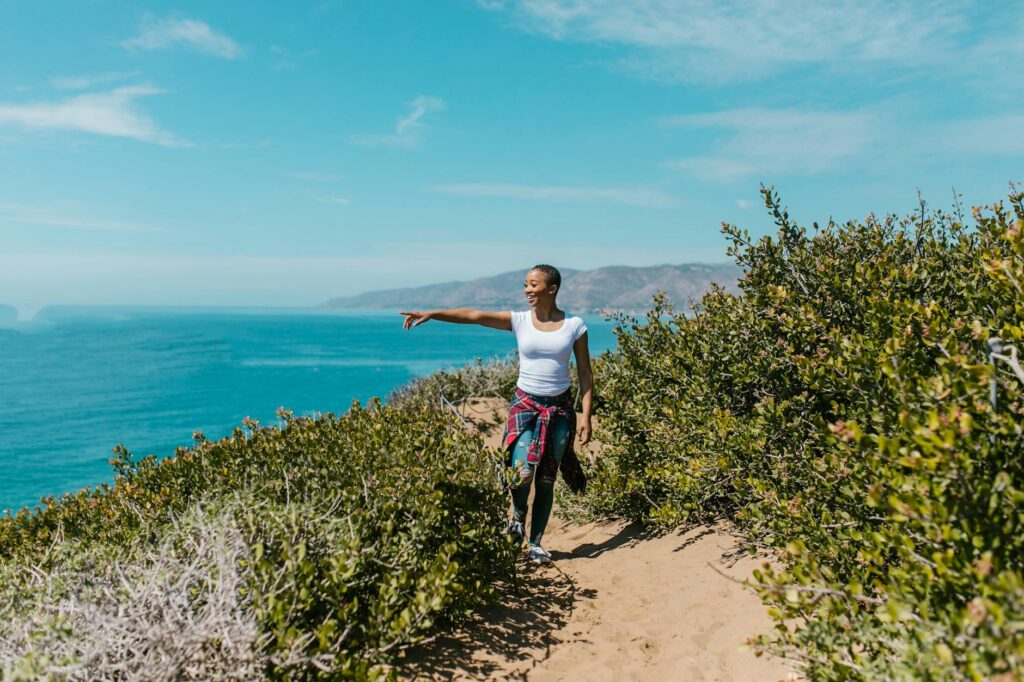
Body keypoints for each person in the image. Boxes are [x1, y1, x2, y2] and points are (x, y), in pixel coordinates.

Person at [400, 264, 593, 564]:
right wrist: (433, 313)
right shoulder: (519, 321)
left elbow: (585, 373)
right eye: (525, 284)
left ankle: (536, 543)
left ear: (551, 289)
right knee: (522, 473)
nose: (527, 290)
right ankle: (516, 517)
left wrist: (586, 416)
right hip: (525, 406)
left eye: (533, 284)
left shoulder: (574, 325)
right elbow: (474, 316)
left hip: (559, 410)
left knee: (546, 479)